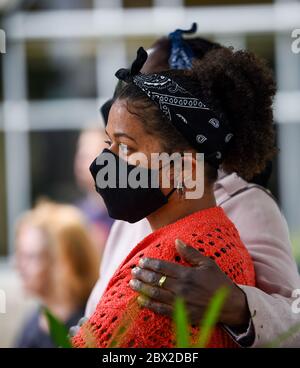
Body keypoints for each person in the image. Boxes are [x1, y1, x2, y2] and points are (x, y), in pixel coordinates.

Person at [83, 28, 300, 347]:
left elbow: (293, 325)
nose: (139, 93)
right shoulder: (140, 201)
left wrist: (237, 305)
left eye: (157, 84)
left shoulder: (246, 204)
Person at [14, 200, 99, 348]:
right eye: (20, 256)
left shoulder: (92, 322)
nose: (19, 266)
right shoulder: (33, 324)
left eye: (31, 257)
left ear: (63, 262)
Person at [74, 127, 114, 260]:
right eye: (80, 154)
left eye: (88, 155)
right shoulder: (75, 215)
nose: (80, 162)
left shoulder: (126, 217)